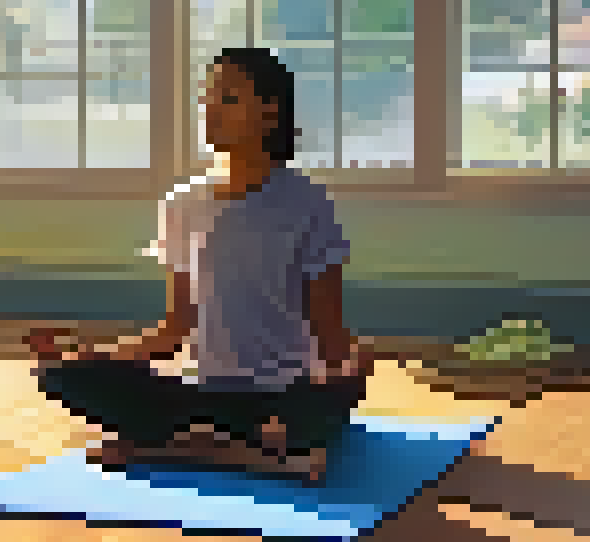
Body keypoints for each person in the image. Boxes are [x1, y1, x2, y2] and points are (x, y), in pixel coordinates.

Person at [30, 48, 371, 484]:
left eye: (228, 98)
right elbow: (174, 330)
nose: (211, 110)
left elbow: (329, 329)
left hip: (282, 393)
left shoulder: (308, 204)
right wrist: (92, 356)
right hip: (202, 392)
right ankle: (248, 451)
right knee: (61, 376)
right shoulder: (182, 204)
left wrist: (345, 375)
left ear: (270, 113)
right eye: (207, 98)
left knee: (326, 400)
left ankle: (183, 444)